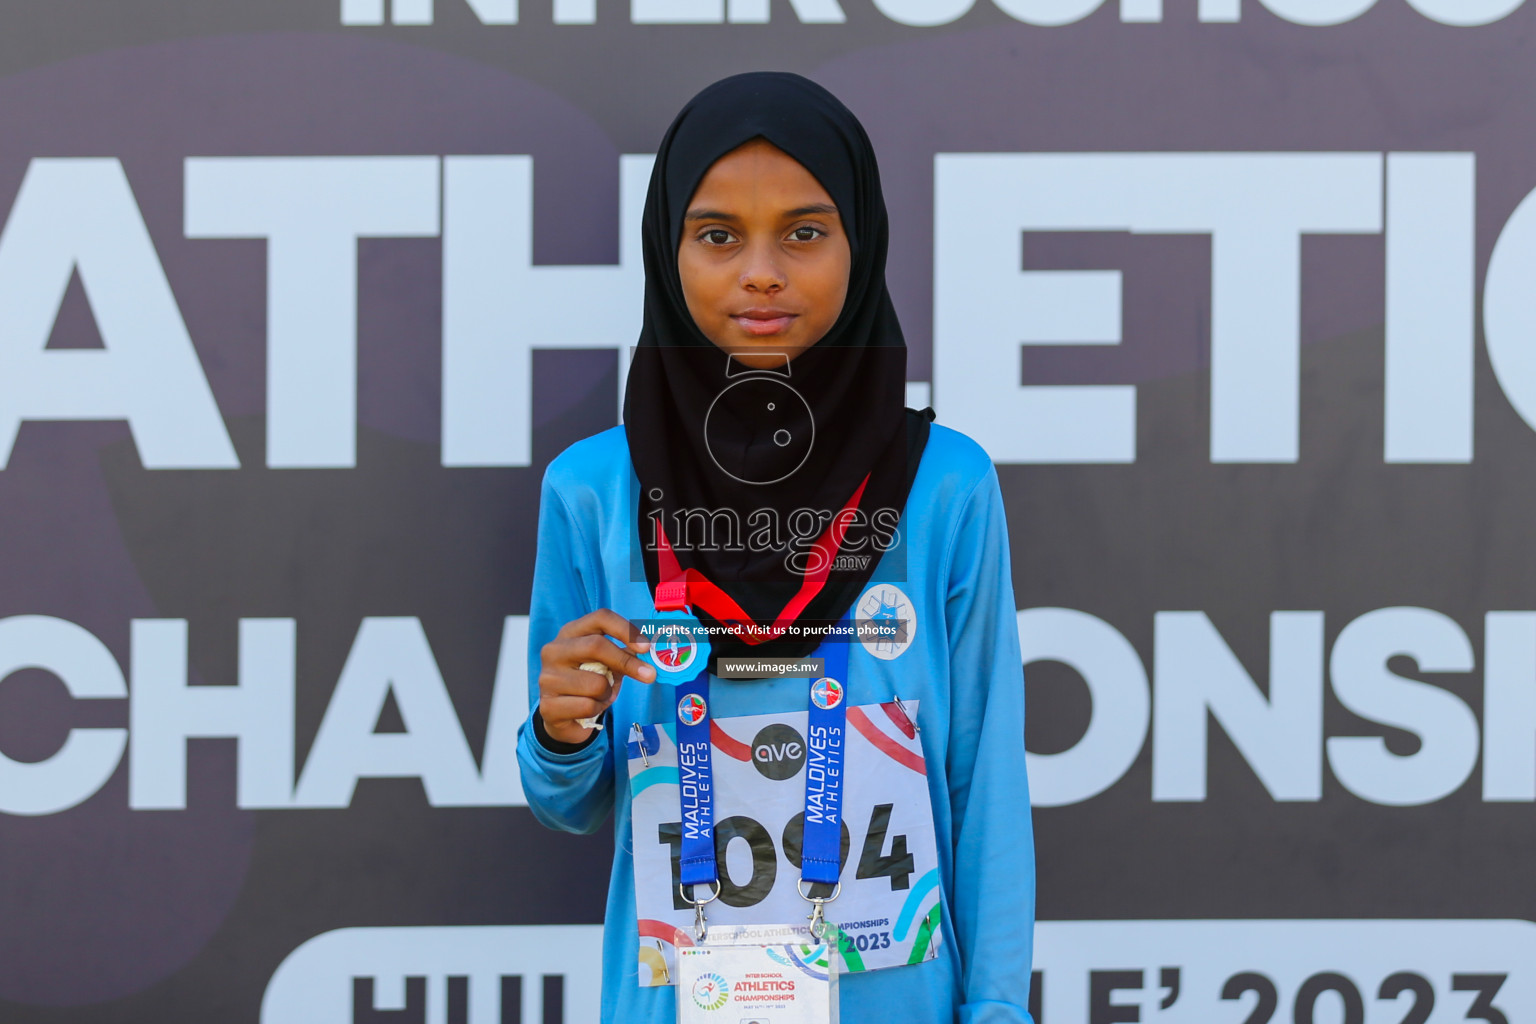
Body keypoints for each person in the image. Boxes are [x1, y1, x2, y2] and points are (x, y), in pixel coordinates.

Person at [517, 71, 1035, 1023]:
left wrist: (998, 1011)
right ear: (667, 250)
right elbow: (572, 802)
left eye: (805, 232)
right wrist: (560, 732)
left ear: (863, 243)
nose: (762, 271)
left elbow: (985, 775)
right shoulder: (593, 491)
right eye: (718, 235)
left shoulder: (943, 486)